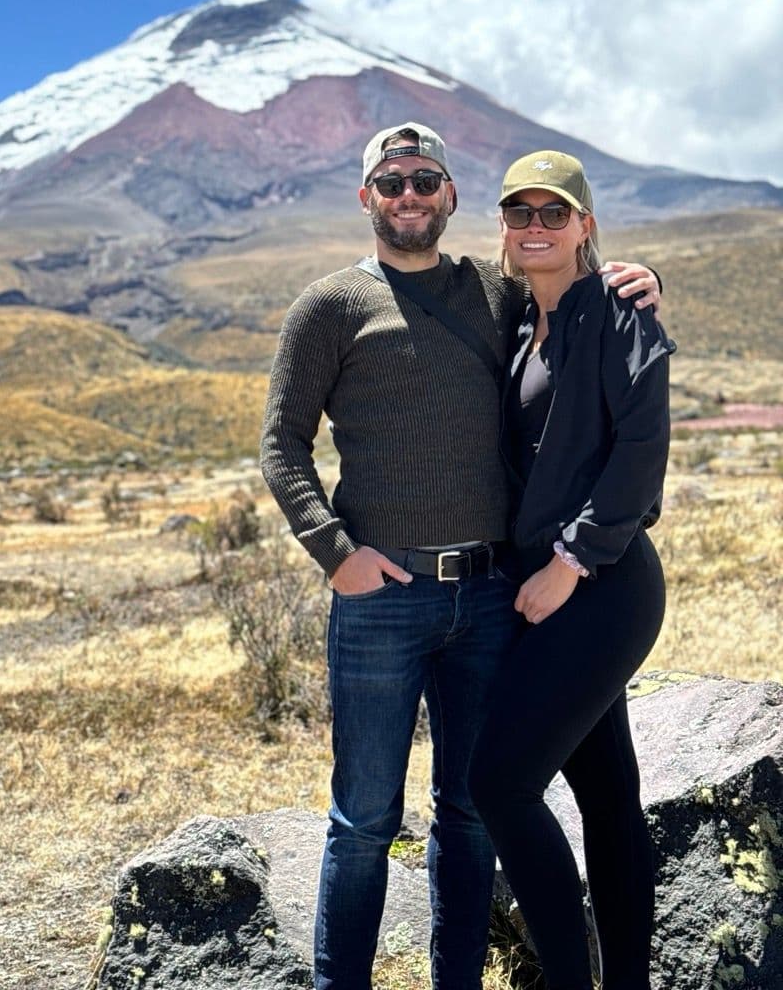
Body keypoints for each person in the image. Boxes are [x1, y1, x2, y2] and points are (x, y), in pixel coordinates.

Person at [259, 123, 660, 990]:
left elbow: (578, 303)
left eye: (424, 181)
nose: (408, 196)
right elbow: (282, 442)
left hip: (489, 594)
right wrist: (334, 552)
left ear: (449, 195)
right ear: (366, 197)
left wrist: (641, 278)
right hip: (382, 597)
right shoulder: (329, 306)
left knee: (473, 810)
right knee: (364, 820)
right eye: (391, 182)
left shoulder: (493, 289)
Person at [468, 151, 674, 990]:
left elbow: (642, 451)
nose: (536, 227)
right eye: (520, 212)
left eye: (555, 212)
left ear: (585, 225)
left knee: (500, 785)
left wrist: (571, 560)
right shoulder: (524, 319)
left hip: (603, 585)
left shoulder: (620, 312)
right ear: (504, 228)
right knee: (607, 798)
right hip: (545, 587)